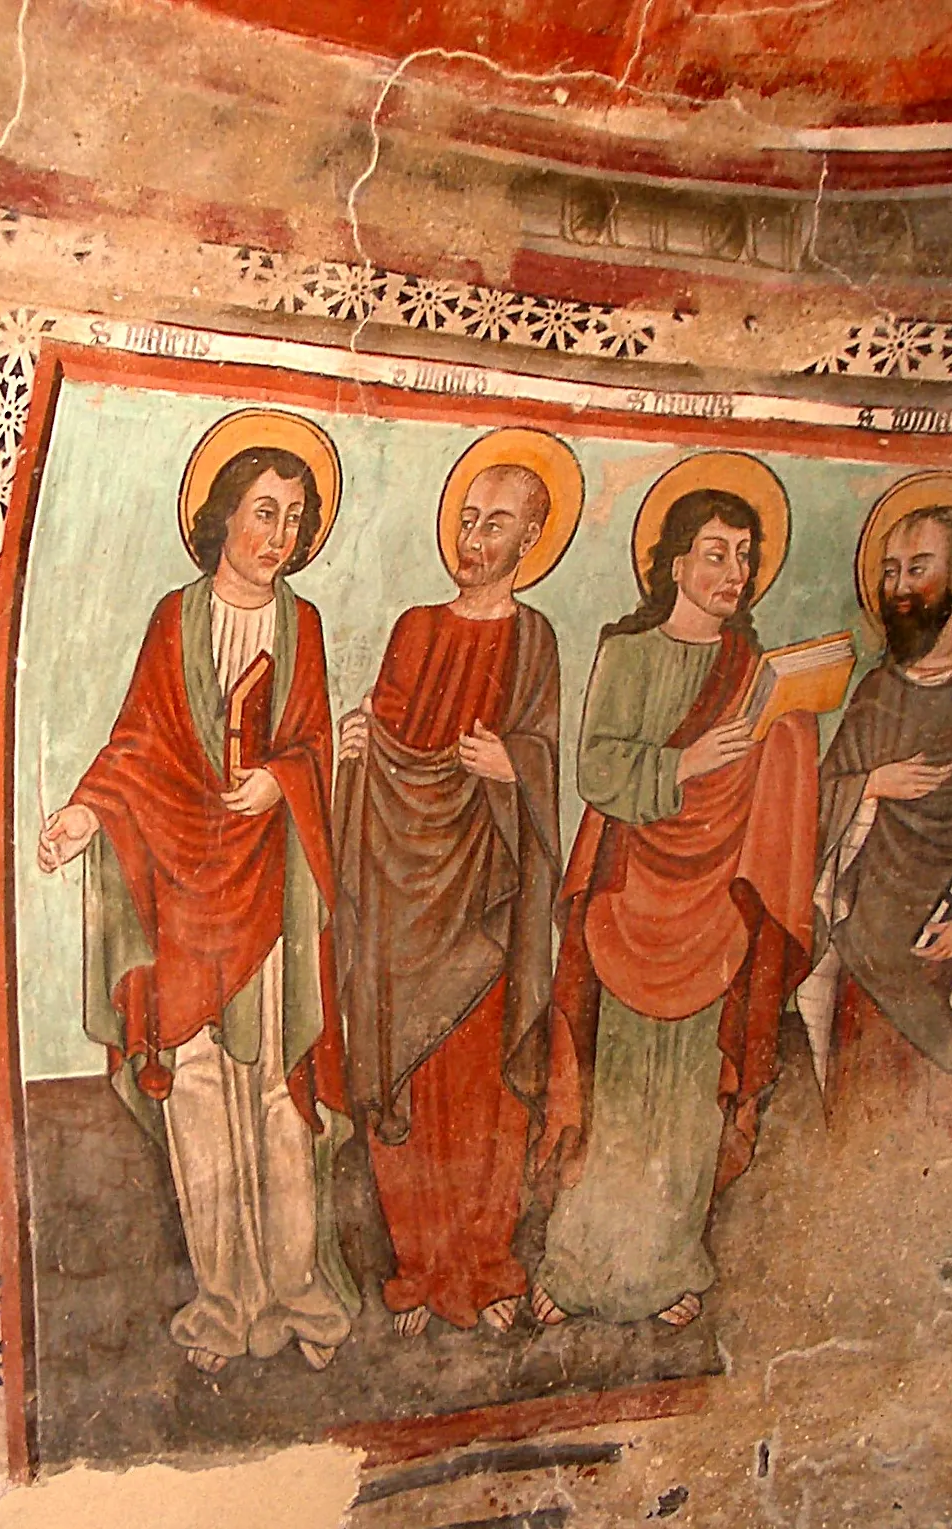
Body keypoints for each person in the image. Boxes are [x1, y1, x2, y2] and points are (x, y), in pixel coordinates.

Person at [36, 409, 358, 1377]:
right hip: (181, 884)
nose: (278, 535)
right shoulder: (174, 619)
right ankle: (223, 1300)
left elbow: (306, 739)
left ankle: (296, 1289)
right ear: (222, 516)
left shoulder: (300, 624)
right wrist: (84, 813)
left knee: (277, 1093)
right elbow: (140, 740)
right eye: (263, 512)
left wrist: (284, 779)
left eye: (294, 519)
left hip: (269, 888)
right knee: (200, 1091)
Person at [532, 458, 817, 1331]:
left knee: (691, 1092)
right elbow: (598, 766)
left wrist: (789, 729)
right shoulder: (629, 652)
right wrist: (683, 764)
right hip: (632, 894)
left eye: (744, 557)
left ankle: (668, 1261)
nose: (732, 573)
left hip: (716, 901)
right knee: (614, 1086)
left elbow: (778, 776)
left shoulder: (754, 667)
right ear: (672, 565)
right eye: (714, 554)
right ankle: (574, 1262)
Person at [333, 431, 573, 1340]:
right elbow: (385, 734)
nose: (476, 537)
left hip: (486, 893)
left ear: (530, 538)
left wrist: (514, 764)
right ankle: (421, 1265)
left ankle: (487, 1264)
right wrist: (359, 749)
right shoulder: (416, 628)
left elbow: (544, 753)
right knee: (413, 1075)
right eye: (468, 518)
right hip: (405, 890)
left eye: (497, 523)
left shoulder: (533, 636)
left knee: (483, 1086)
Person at [797, 482, 952, 1143]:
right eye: (889, 570)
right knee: (856, 1140)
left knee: (944, 1138)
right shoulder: (874, 695)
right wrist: (870, 784)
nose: (900, 585)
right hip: (865, 959)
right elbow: (816, 819)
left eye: (918, 567)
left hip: (951, 967)